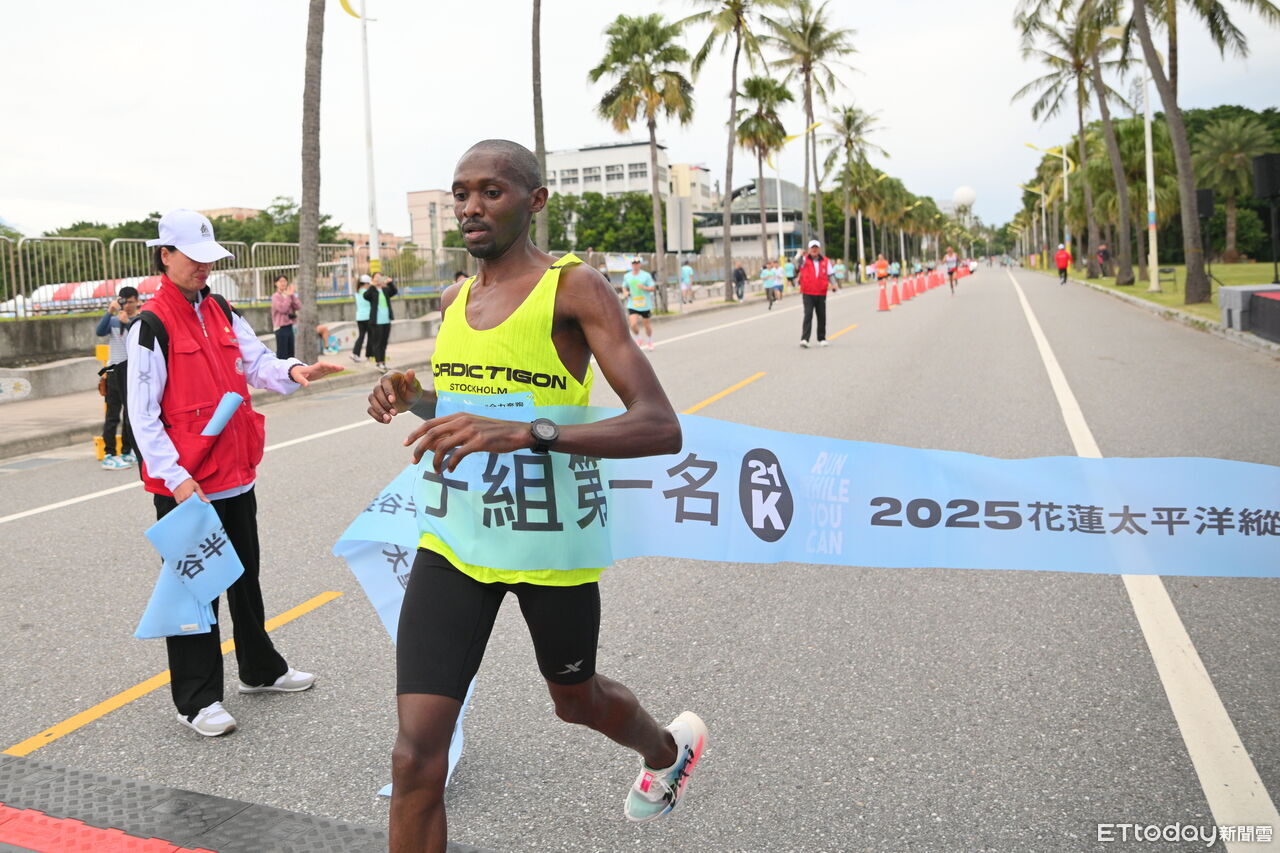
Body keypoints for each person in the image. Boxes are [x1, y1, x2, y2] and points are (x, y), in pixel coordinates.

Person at [366, 140, 707, 852]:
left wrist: (527, 432)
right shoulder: (458, 296)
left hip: (551, 542)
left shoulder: (573, 287)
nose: (470, 206)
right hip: (458, 538)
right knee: (414, 755)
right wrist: (414, 398)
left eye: (492, 191)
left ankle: (667, 752)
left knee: (574, 700)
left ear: (535, 200)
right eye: (461, 192)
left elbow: (658, 424)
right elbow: (472, 409)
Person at [126, 209, 342, 737]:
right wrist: (176, 479)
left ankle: (260, 669)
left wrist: (294, 371)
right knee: (196, 590)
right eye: (193, 258)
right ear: (166, 255)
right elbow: (142, 414)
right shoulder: (149, 326)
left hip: (236, 473)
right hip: (188, 485)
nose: (204, 267)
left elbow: (257, 361)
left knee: (245, 578)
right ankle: (196, 699)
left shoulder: (220, 308)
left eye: (209, 258)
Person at [96, 285, 140, 470]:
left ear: (137, 302)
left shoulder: (139, 321)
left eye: (130, 302)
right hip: (114, 371)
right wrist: (110, 312)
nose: (127, 305)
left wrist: (128, 323)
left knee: (130, 414)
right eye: (124, 301)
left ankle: (127, 451)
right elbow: (100, 332)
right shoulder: (113, 320)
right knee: (113, 414)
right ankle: (109, 453)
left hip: (131, 371)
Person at [798, 239, 833, 348]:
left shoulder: (825, 261)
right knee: (808, 315)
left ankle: (821, 338)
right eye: (812, 248)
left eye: (816, 247)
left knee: (821, 315)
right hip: (808, 292)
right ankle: (804, 339)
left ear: (819, 249)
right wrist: (800, 255)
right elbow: (798, 263)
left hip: (821, 292)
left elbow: (830, 274)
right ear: (809, 249)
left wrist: (835, 285)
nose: (814, 249)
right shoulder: (804, 260)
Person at [363, 272, 398, 373]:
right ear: (373, 279)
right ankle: (378, 362)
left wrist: (390, 283)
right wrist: (372, 286)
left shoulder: (385, 289)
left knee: (384, 342)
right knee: (377, 342)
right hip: (376, 321)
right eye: (376, 278)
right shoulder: (372, 290)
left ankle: (383, 363)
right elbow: (366, 296)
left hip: (386, 320)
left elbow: (394, 291)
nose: (378, 279)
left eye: (380, 277)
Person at [623, 257, 656, 351]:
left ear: (640, 264)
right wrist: (625, 292)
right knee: (633, 324)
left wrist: (644, 287)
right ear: (631, 265)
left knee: (647, 326)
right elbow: (624, 287)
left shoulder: (646, 275)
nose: (635, 265)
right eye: (634, 263)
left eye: (637, 263)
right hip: (633, 304)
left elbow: (653, 288)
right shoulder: (627, 276)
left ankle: (650, 340)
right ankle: (638, 338)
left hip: (645, 304)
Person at [270, 274, 301, 359]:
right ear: (276, 283)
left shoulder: (289, 295)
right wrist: (288, 297)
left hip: (290, 326)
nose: (283, 283)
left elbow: (298, 306)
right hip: (280, 328)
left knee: (291, 352)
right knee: (282, 353)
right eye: (280, 281)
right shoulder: (275, 297)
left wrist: (291, 295)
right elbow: (282, 309)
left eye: (284, 281)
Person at [351, 274, 372, 363]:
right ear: (366, 284)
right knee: (371, 336)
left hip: (359, 317)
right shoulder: (367, 293)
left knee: (361, 336)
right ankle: (369, 355)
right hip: (367, 316)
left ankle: (355, 354)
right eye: (369, 284)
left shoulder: (357, 292)